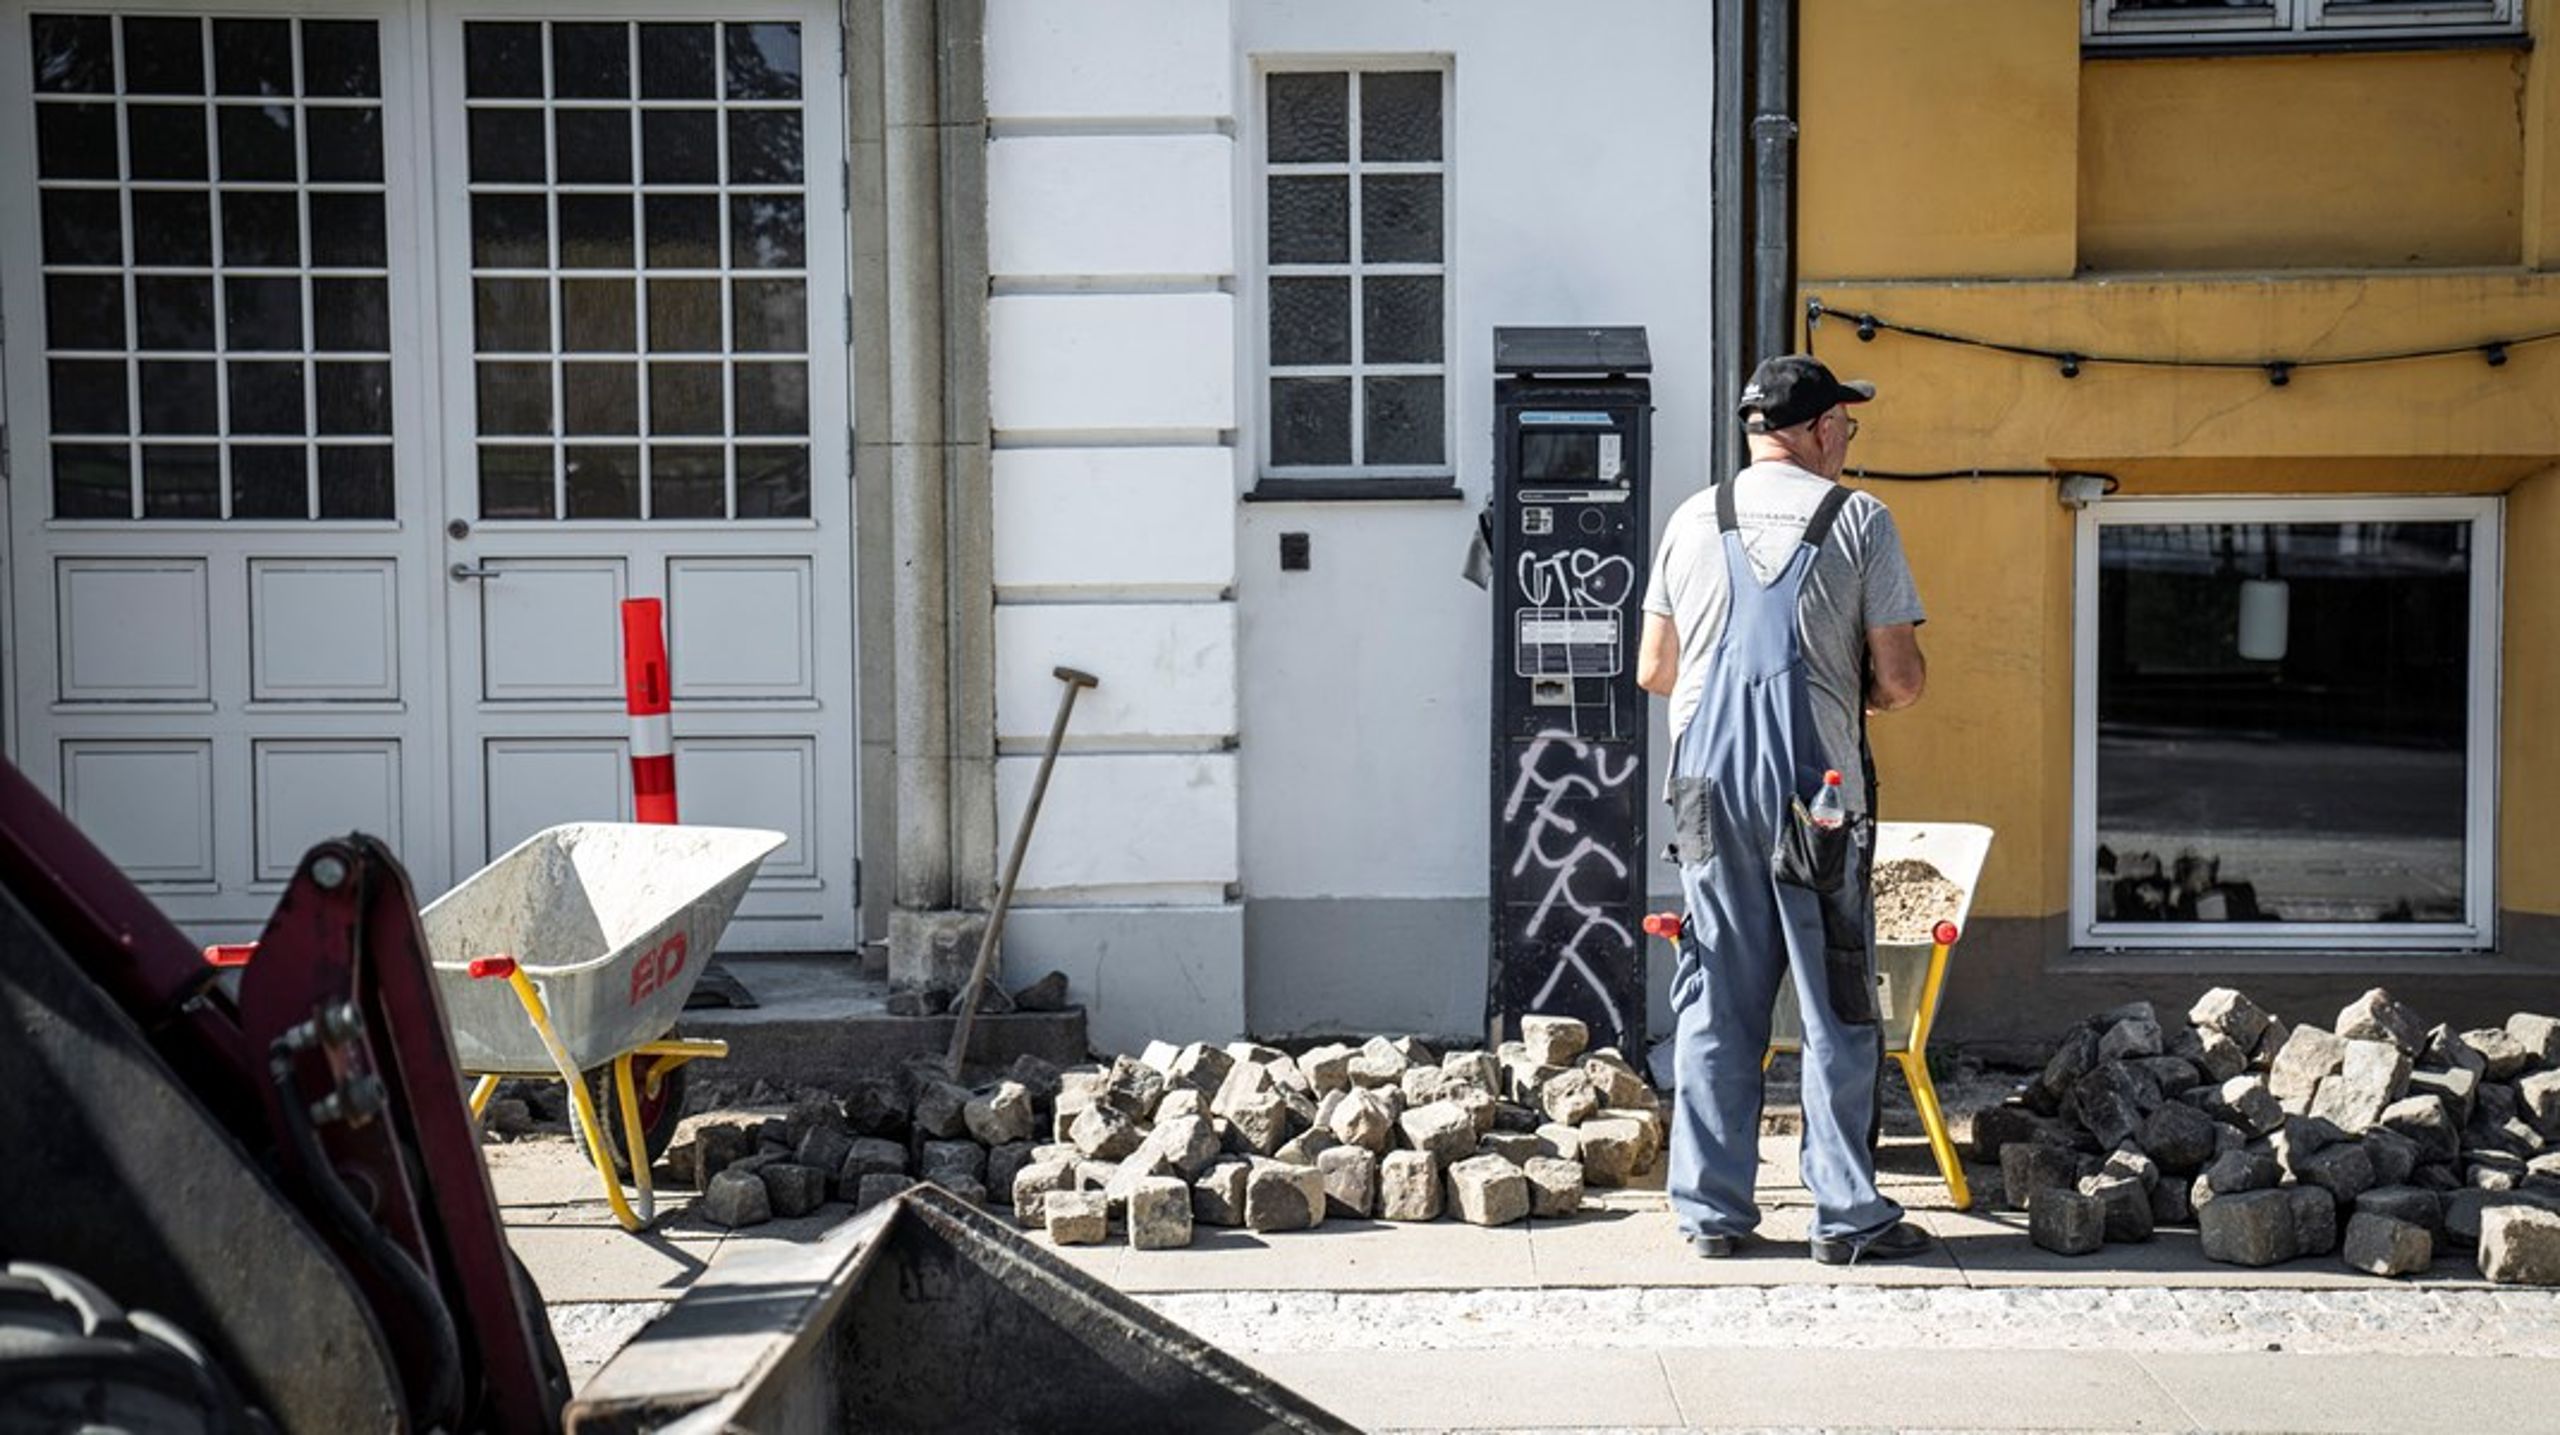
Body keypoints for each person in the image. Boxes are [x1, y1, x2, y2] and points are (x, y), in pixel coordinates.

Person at [1635, 354, 1930, 1264]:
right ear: (1813, 429)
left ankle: (1713, 1214)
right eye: (1845, 421)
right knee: (1836, 998)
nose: (1849, 436)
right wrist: (1851, 692)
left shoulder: (1691, 518)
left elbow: (1654, 669)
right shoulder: (1858, 522)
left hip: (1704, 796)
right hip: (1818, 804)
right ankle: (1846, 1216)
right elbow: (1902, 680)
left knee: (1716, 996)